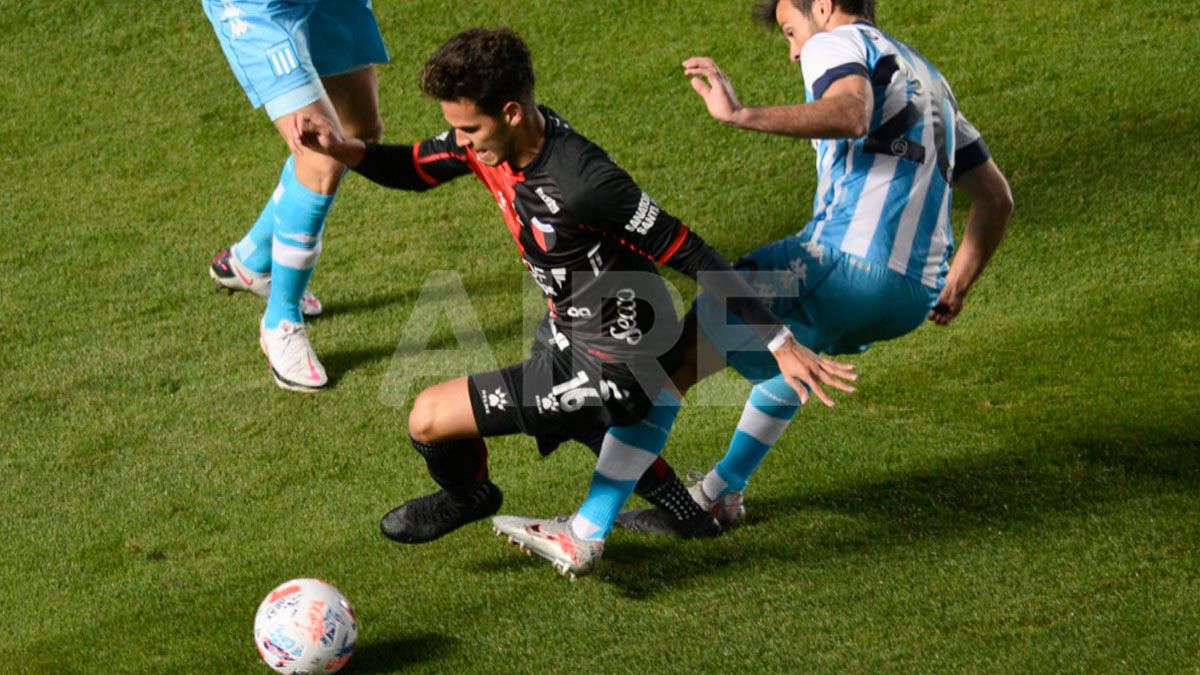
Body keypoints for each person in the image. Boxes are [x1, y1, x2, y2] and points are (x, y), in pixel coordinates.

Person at [289, 28, 858, 577]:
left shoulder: (584, 182)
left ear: (512, 113)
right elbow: (416, 167)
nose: (460, 142)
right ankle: (688, 515)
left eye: (469, 129)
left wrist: (778, 342)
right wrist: (344, 149)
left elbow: (693, 253)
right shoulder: (491, 145)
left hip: (619, 355)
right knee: (585, 422)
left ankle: (471, 496)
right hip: (571, 325)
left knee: (428, 417)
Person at [615, 0, 1014, 536]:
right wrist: (956, 286)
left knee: (683, 349)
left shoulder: (837, 42)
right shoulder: (929, 79)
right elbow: (996, 199)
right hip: (912, 296)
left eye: (790, 31)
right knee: (792, 344)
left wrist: (741, 114)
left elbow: (851, 113)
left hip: (844, 264)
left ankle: (590, 525)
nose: (794, 51)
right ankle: (720, 492)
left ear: (822, 6)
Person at [201, 0, 388, 392]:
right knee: (323, 157)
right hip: (262, 9)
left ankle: (251, 260)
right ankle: (281, 320)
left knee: (358, 131)